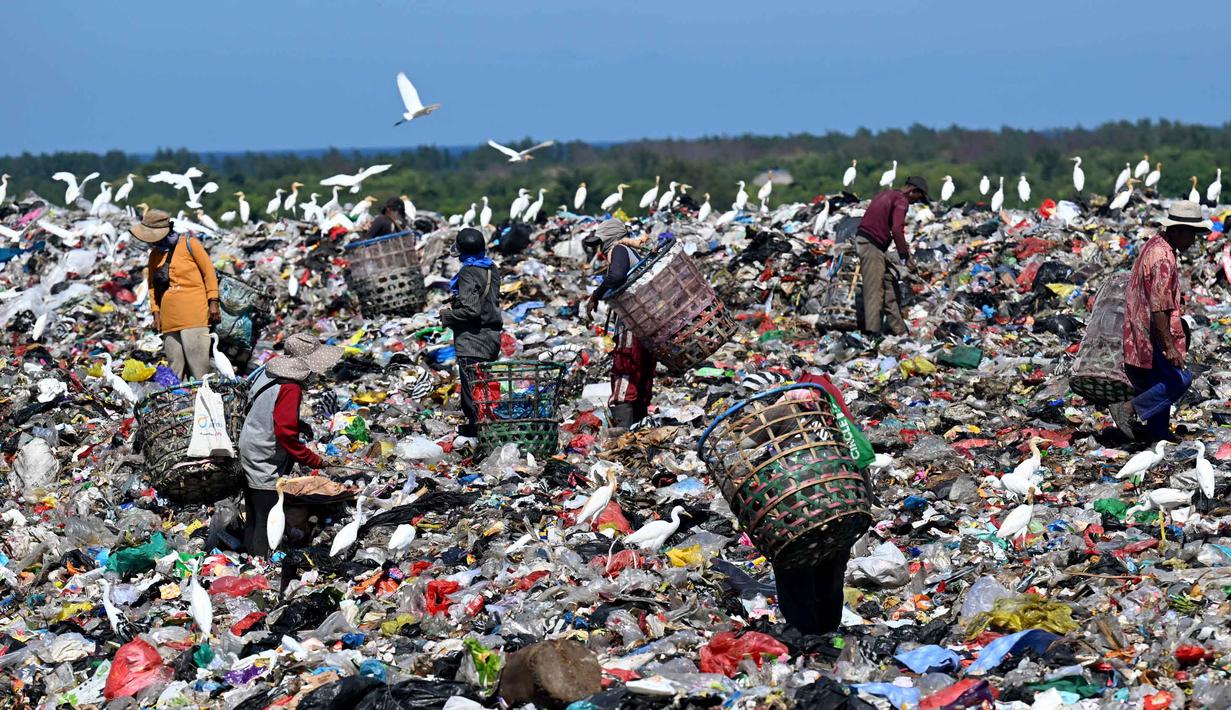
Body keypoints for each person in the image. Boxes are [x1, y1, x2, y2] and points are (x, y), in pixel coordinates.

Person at [237, 333, 343, 557]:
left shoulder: (269, 373)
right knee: (267, 514)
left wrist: (299, 425)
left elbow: (269, 410)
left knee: (255, 511)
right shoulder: (291, 387)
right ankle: (260, 564)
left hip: (250, 443)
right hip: (263, 453)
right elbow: (284, 432)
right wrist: (312, 459)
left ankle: (252, 558)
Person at [1113, 201, 1207, 443]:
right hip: (1149, 331)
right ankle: (1128, 409)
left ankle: (1157, 435)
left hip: (1141, 327)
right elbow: (1158, 308)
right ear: (1178, 230)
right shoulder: (1163, 257)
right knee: (1179, 379)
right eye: (1192, 235)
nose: (1193, 241)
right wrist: (1169, 346)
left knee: (1159, 381)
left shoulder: (1155, 244)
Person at [583, 219, 657, 429]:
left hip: (632, 321)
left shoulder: (619, 249)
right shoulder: (631, 252)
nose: (600, 248)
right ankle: (638, 427)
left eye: (600, 242)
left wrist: (596, 295)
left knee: (625, 368)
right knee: (641, 371)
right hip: (647, 320)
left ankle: (622, 431)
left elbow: (616, 276)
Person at [130, 209, 220, 381]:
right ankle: (181, 405)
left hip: (194, 314)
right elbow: (152, 287)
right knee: (175, 369)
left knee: (200, 368)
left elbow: (209, 273)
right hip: (168, 319)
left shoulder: (189, 244)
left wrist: (213, 301)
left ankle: (207, 404)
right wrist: (156, 313)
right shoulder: (155, 255)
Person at [440, 228, 502, 448]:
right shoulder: (491, 269)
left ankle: (480, 438)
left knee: (472, 392)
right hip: (492, 338)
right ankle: (487, 429)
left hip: (472, 341)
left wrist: (448, 315)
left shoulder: (467, 272)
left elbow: (471, 310)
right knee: (484, 388)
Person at [853, 176, 929, 336]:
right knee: (874, 290)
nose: (917, 201)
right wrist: (905, 257)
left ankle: (901, 332)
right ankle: (871, 334)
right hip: (870, 245)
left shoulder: (887, 194)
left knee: (889, 286)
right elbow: (896, 229)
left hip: (874, 245)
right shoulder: (902, 201)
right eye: (919, 196)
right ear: (913, 191)